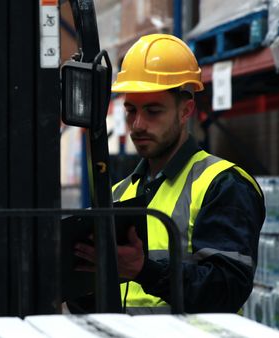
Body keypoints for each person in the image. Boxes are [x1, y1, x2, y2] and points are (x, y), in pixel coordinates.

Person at [74, 34, 265, 314]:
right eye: (131, 111)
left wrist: (144, 271)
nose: (137, 125)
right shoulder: (118, 193)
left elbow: (227, 290)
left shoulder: (224, 184)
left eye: (153, 111)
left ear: (185, 110)